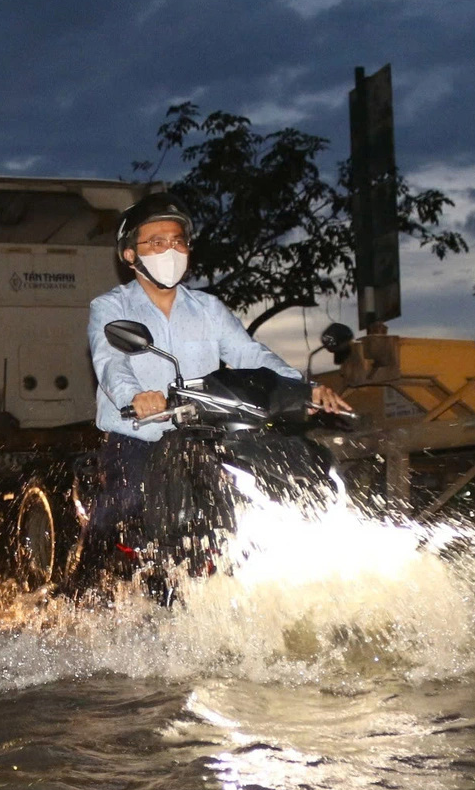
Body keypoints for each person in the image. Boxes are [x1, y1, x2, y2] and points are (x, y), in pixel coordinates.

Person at [82, 193, 351, 565]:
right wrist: (136, 396)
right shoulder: (111, 307)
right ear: (130, 255)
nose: (170, 250)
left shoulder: (208, 308)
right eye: (157, 242)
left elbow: (248, 353)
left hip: (207, 435)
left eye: (177, 241)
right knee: (125, 506)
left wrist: (303, 388)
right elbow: (111, 360)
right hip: (140, 437)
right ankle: (88, 579)